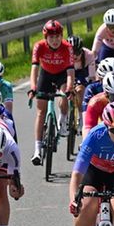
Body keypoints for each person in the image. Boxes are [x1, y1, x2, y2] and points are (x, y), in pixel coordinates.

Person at [28, 20, 76, 166]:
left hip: (62, 75)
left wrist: (69, 89)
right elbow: (34, 69)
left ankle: (63, 121)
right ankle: (37, 149)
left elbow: (70, 72)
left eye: (57, 37)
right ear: (45, 37)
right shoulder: (39, 47)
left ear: (61, 36)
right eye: (51, 37)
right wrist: (33, 87)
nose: (55, 40)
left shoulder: (67, 47)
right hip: (46, 75)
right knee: (40, 111)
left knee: (63, 96)